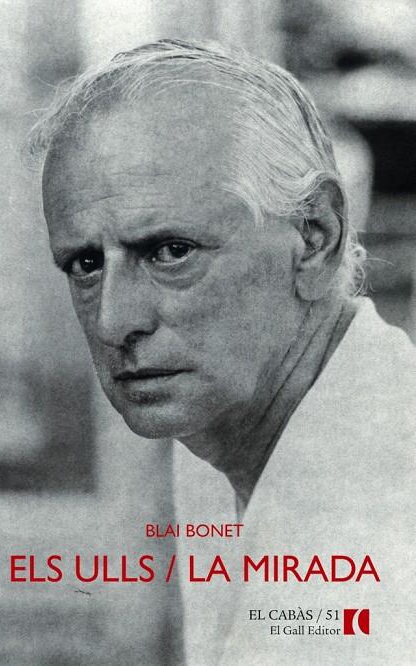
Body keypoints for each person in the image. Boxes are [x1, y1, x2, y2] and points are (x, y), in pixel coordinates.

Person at [32, 40, 415, 665]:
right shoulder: (225, 430)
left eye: (171, 252)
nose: (114, 321)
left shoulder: (377, 503)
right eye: (86, 264)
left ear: (314, 238)